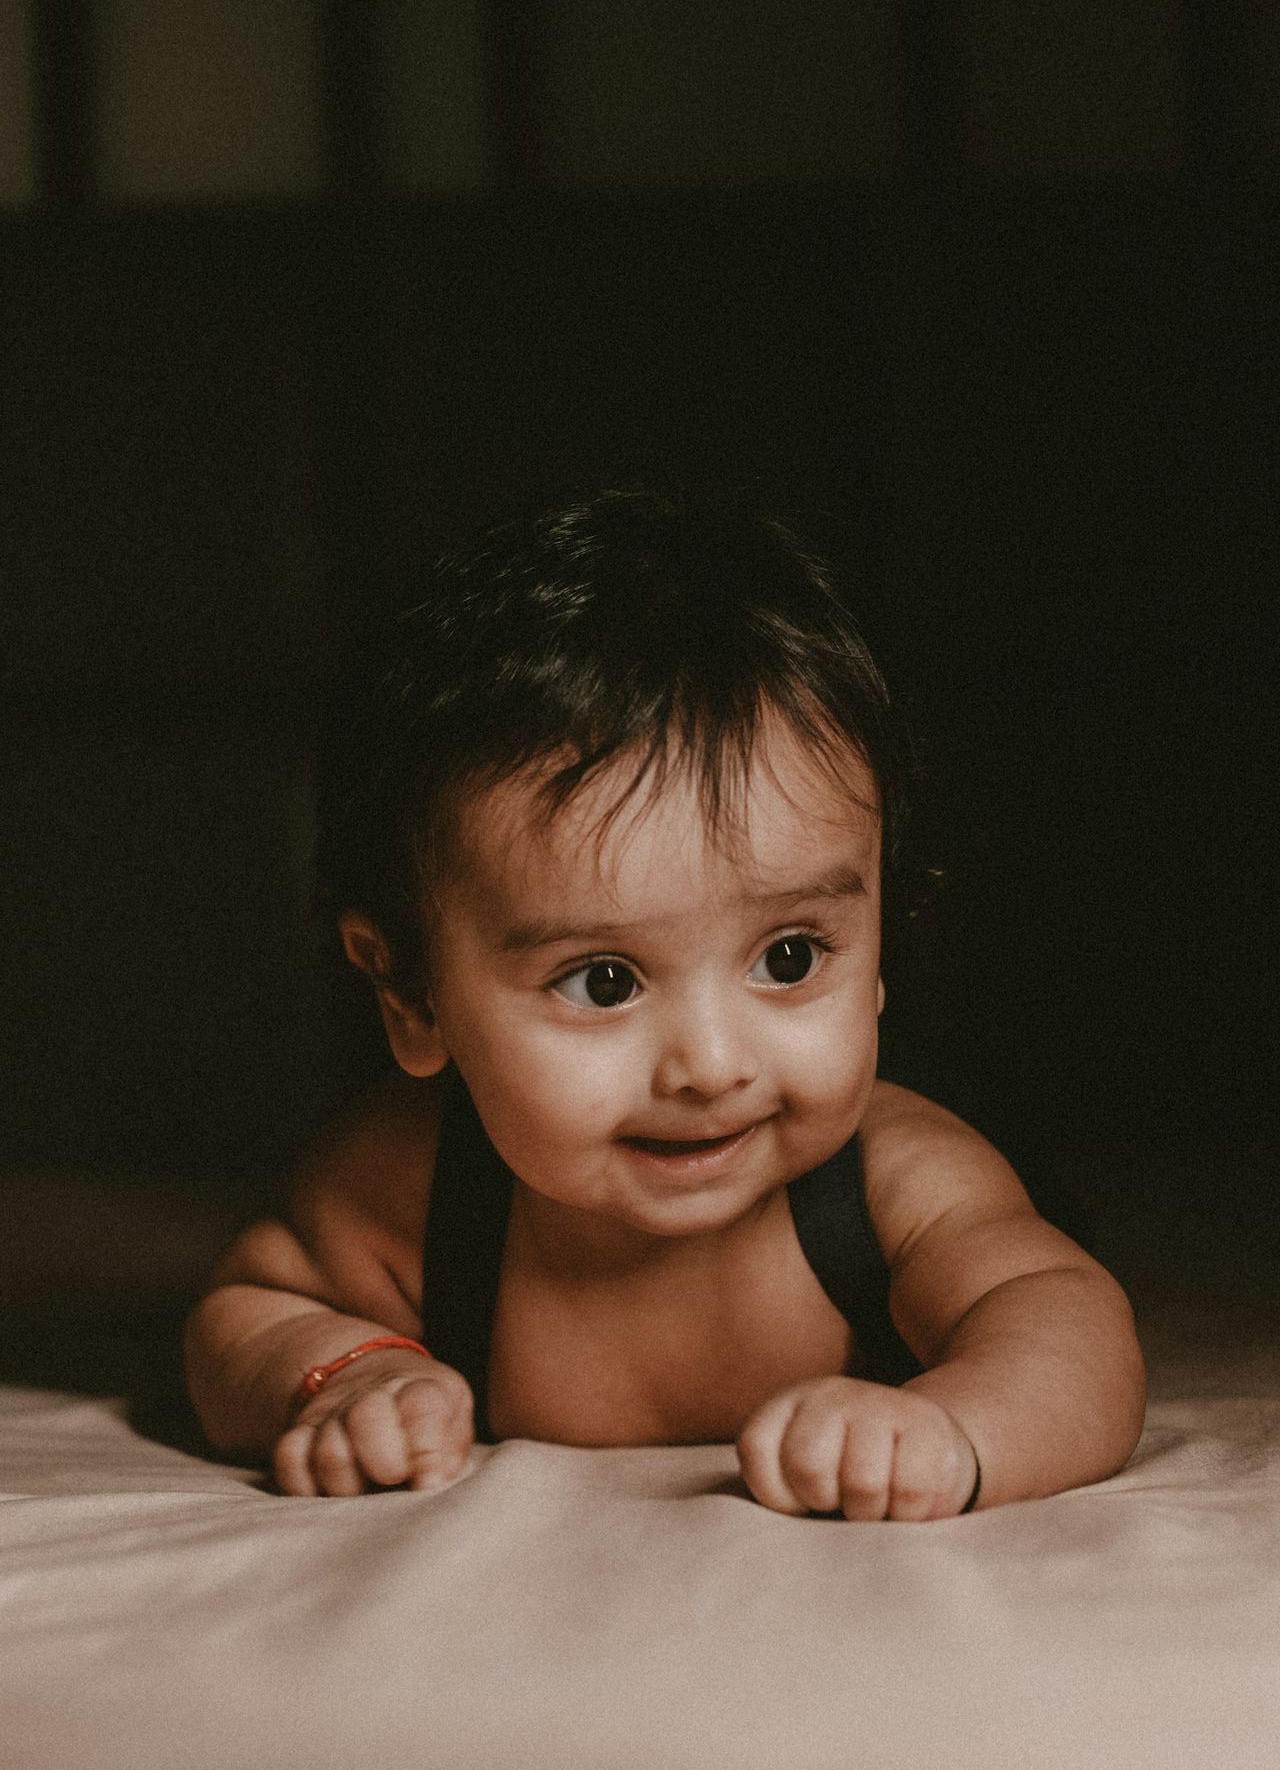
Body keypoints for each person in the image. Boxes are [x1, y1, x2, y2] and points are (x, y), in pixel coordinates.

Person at [185, 489, 1145, 1519]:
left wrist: (957, 1428)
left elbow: (1069, 1321)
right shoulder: (416, 1192)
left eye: (787, 957)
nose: (709, 1064)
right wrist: (348, 1370)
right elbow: (246, 1308)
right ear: (411, 993)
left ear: (876, 955)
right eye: (604, 981)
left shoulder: (893, 1184)